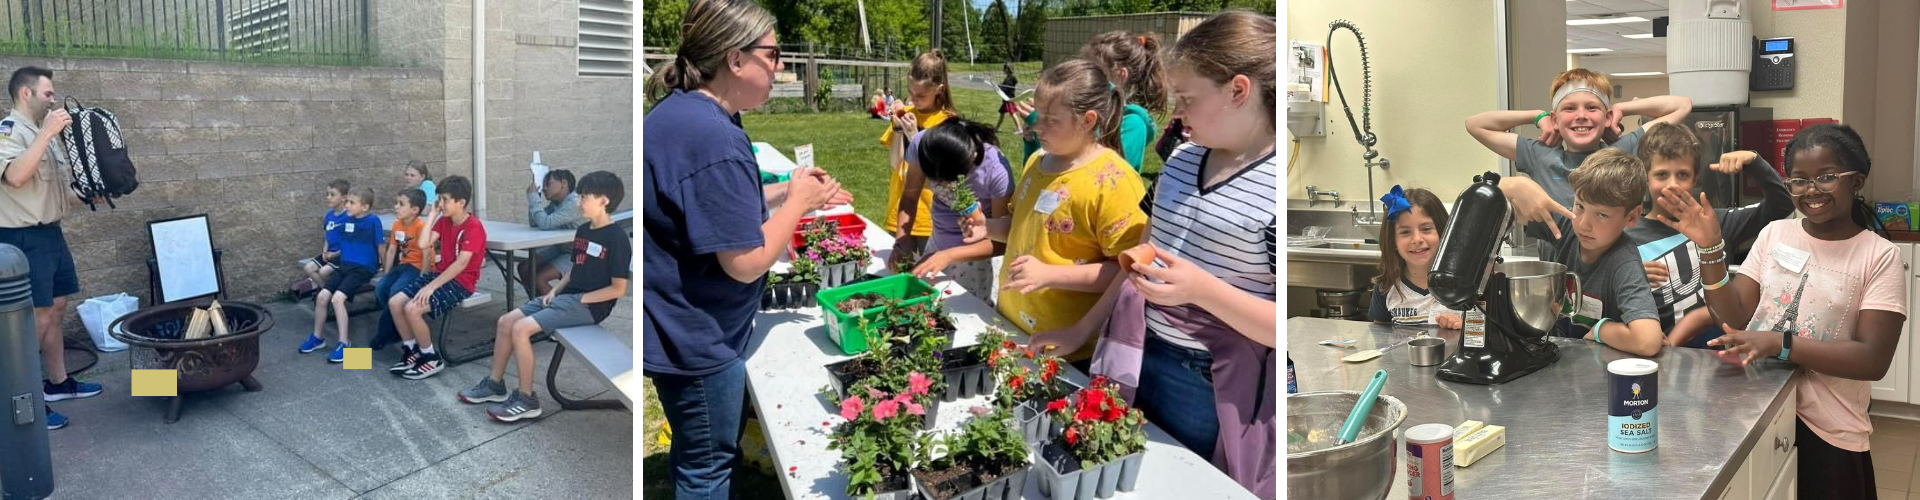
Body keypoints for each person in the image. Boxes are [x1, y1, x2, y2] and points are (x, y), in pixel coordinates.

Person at [1027, 13, 1279, 496]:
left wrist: (1200, 290)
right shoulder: (1183, 161)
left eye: (1186, 99)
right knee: (1121, 472)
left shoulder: (1271, 192)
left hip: (1206, 382)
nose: (1176, 113)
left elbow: (1277, 327)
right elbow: (1140, 257)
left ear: (1239, 91)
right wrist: (1083, 328)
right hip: (1136, 351)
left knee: (1181, 481)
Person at [641, 0, 847, 497]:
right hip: (696, 340)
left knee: (697, 456)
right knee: (708, 468)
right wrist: (796, 203)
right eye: (773, 55)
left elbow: (712, 203)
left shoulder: (692, 115)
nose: (781, 68)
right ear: (736, 60)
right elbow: (746, 263)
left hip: (674, 322)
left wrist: (787, 193)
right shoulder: (713, 137)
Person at [1676, 124, 1902, 499]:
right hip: (1758, 410)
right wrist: (1711, 249)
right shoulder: (1775, 234)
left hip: (1829, 427)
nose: (1811, 190)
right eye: (1798, 180)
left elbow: (1872, 359)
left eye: (1826, 177)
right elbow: (1735, 318)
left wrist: (1779, 343)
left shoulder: (1879, 256)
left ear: (1856, 181)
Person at [964, 58, 1147, 360]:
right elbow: (1023, 229)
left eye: (1051, 119)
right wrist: (989, 228)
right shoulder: (1038, 161)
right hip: (1013, 328)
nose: (1037, 125)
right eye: (1038, 114)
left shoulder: (1114, 182)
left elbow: (1126, 272)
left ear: (1088, 120)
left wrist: (1051, 274)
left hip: (1071, 348)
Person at [461, 171, 629, 423]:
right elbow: (576, 268)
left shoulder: (616, 238)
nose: (578, 201)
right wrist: (554, 290)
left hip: (591, 306)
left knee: (520, 329)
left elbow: (618, 289)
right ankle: (495, 385)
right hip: (567, 298)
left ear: (604, 201)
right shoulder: (583, 230)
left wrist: (581, 300)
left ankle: (527, 399)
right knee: (506, 322)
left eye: (584, 197)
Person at [1626, 122, 1793, 348]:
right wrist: (1628, 275)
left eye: (1682, 174)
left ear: (1695, 179)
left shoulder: (1718, 222)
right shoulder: (1628, 237)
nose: (1672, 184)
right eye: (1662, 175)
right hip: (1662, 354)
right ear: (1646, 179)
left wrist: (1754, 162)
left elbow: (1782, 205)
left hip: (1720, 356)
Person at [0, 66, 101, 430]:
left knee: (57, 308)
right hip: (21, 239)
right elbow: (14, 177)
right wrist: (45, 133)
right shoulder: (9, 132)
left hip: (50, 234)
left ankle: (58, 384)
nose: (53, 99)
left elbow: (56, 193)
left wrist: (88, 195)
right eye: (47, 94)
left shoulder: (46, 136)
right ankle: (23, 400)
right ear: (25, 93)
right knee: (35, 319)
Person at [1504, 149, 1665, 357]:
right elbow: (1492, 205)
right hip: (1555, 355)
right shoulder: (1564, 225)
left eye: (1602, 214)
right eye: (1580, 206)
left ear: (1632, 217)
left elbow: (1648, 341)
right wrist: (1513, 185)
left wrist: (1602, 330)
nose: (1583, 224)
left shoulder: (1624, 263)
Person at [1465, 68, 1692, 213]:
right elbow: (1475, 124)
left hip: (1611, 272)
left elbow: (1682, 105)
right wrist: (1537, 116)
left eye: (1592, 108)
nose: (1581, 115)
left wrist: (1622, 108)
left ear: (1607, 117)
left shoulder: (1622, 152)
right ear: (1556, 119)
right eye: (1570, 108)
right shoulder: (1541, 156)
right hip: (1557, 273)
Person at [898, 118, 1012, 296]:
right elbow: (909, 197)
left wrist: (949, 255)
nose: (941, 185)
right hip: (937, 245)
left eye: (949, 179)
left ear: (972, 157)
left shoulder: (996, 171)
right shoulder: (924, 145)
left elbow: (1001, 242)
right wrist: (902, 241)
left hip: (975, 260)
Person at [387, 176, 485, 380]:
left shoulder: (474, 227)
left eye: (444, 199)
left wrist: (431, 287)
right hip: (440, 275)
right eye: (439, 199)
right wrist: (432, 213)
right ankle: (412, 351)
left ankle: (431, 357)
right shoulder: (443, 221)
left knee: (412, 309)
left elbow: (461, 264)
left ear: (461, 203)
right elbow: (423, 244)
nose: (440, 204)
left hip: (461, 282)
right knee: (395, 302)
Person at [884, 50, 958, 256]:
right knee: (899, 276)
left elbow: (943, 175)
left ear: (939, 89)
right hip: (901, 213)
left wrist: (915, 136)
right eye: (911, 92)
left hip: (931, 217)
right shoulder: (906, 115)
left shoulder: (948, 122)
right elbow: (895, 163)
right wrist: (898, 130)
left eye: (921, 95)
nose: (914, 100)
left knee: (930, 280)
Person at [301, 188, 383, 362]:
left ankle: (345, 344)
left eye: (352, 203)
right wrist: (329, 254)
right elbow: (336, 239)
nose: (347, 205)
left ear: (365, 207)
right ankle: (317, 338)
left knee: (337, 298)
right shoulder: (346, 220)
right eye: (347, 202)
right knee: (323, 296)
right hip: (346, 265)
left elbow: (380, 245)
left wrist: (382, 265)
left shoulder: (373, 220)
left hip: (363, 268)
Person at [1366, 186, 1461, 329]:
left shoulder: (1467, 283)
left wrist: (1465, 327)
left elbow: (1490, 332)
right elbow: (1381, 337)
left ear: (1444, 233)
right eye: (1405, 232)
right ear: (1393, 242)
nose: (1417, 239)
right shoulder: (1386, 287)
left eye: (1426, 229)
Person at [370, 188, 428, 351]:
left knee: (395, 291)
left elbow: (428, 254)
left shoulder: (420, 226)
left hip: (417, 268)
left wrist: (423, 277)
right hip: (404, 265)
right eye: (396, 203)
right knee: (381, 288)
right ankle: (397, 324)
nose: (396, 207)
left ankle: (384, 333)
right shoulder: (397, 224)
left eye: (401, 204)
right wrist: (387, 272)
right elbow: (392, 250)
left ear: (415, 210)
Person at [520, 168, 583, 296]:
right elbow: (535, 222)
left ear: (563, 183)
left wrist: (533, 198)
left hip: (577, 252)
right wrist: (535, 197)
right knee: (524, 268)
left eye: (548, 184)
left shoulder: (574, 203)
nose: (543, 188)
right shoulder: (556, 203)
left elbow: (545, 223)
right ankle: (535, 305)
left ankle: (557, 311)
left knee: (539, 278)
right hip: (560, 248)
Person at [296, 179, 351, 293]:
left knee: (323, 272)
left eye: (332, 195)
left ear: (344, 197)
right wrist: (324, 251)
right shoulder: (329, 215)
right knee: (308, 268)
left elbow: (350, 243)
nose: (328, 197)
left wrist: (334, 254)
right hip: (329, 253)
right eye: (327, 194)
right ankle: (327, 291)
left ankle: (329, 294)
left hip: (342, 255)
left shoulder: (348, 217)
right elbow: (327, 236)